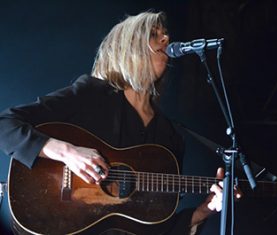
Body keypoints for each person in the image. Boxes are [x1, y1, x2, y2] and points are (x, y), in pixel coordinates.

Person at [0, 11, 223, 235]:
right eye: (155, 35)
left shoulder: (170, 135)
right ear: (129, 47)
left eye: (166, 34)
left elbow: (155, 227)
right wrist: (69, 153)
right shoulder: (92, 95)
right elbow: (5, 124)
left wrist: (204, 210)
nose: (166, 39)